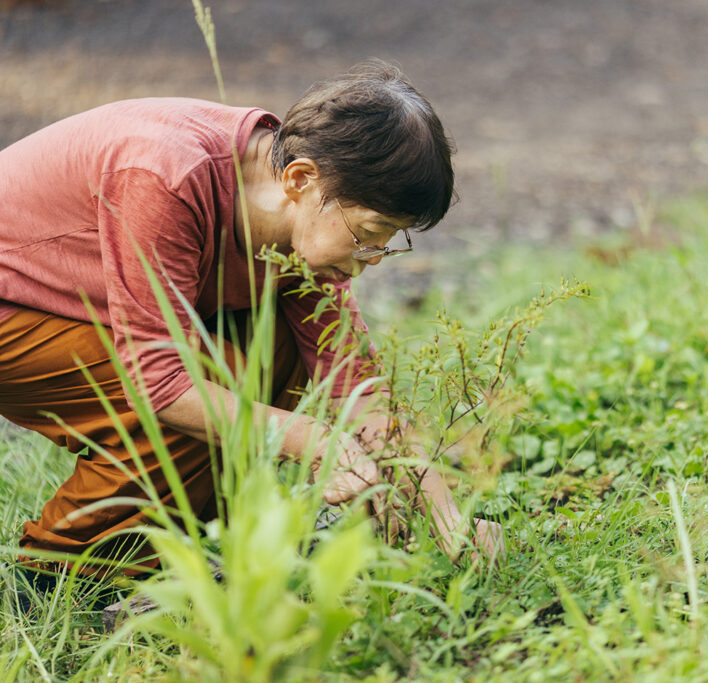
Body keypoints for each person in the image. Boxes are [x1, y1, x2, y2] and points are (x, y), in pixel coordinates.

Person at [0, 60, 503, 580]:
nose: (372, 258)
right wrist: (310, 439)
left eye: (388, 243)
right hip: (13, 307)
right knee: (211, 384)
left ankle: (153, 547)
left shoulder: (299, 231)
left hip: (79, 312)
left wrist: (449, 518)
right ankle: (59, 573)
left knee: (275, 354)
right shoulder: (168, 175)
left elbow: (357, 389)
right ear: (302, 178)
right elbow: (159, 384)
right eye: (369, 232)